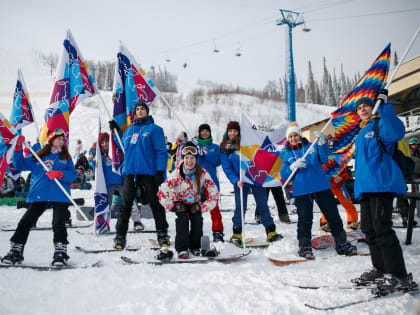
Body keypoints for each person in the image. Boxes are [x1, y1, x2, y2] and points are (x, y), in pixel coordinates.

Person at [353, 94, 416, 292]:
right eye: (359, 107)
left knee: (382, 229)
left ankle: (399, 275)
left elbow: (397, 132)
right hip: (365, 187)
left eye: (366, 106)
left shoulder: (381, 125)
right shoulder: (361, 132)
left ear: (374, 107)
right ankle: (380, 268)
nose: (362, 109)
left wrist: (386, 107)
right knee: (369, 229)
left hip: (381, 185)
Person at [280, 122, 357, 259]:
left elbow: (324, 158)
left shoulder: (312, 146)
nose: (293, 138)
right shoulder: (286, 154)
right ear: (288, 138)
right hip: (302, 190)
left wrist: (322, 144)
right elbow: (284, 175)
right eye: (291, 136)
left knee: (332, 214)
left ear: (300, 135)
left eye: (295, 135)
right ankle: (304, 246)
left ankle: (341, 242)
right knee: (305, 218)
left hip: (321, 186)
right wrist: (291, 167)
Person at [1, 129, 76, 265]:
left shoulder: (66, 157)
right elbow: (19, 165)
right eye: (58, 138)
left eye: (62, 139)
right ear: (51, 139)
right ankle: (16, 250)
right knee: (26, 221)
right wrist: (18, 149)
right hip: (40, 194)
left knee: (58, 223)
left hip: (59, 194)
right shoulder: (38, 155)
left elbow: (73, 175)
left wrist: (59, 173)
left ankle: (60, 252)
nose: (61, 141)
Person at [109, 102, 169, 249]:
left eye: (143, 109)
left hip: (148, 172)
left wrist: (160, 171)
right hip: (130, 172)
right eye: (137, 109)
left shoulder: (155, 129)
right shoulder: (130, 130)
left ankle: (162, 234)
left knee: (156, 204)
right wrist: (115, 131)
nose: (140, 111)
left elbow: (161, 152)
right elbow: (123, 145)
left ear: (147, 112)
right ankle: (120, 237)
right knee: (126, 205)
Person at [220, 121, 283, 245]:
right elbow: (226, 168)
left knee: (262, 205)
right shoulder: (223, 148)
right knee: (240, 207)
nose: (232, 133)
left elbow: (258, 155)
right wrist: (235, 180)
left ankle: (271, 231)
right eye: (230, 131)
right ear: (227, 132)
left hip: (254, 178)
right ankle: (237, 232)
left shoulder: (246, 142)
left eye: (235, 131)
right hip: (240, 182)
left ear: (239, 132)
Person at [158, 141, 219, 259]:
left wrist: (203, 207)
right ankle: (182, 248)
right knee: (182, 220)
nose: (189, 161)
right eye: (187, 158)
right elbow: (162, 191)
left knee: (197, 218)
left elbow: (214, 192)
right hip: (178, 201)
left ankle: (195, 246)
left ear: (196, 159)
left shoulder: (202, 173)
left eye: (192, 158)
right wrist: (171, 206)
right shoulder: (176, 174)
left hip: (193, 202)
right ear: (183, 158)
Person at [98, 132, 143, 231]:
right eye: (103, 143)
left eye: (107, 142)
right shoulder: (100, 155)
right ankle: (105, 223)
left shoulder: (116, 152)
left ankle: (137, 221)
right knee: (106, 205)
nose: (105, 144)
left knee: (129, 202)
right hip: (108, 183)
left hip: (121, 181)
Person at [193, 123, 225, 242]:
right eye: (202, 131)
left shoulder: (215, 147)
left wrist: (206, 153)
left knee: (214, 209)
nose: (204, 133)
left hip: (210, 182)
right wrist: (194, 149)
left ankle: (218, 231)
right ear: (199, 133)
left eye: (207, 131)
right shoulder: (194, 146)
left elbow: (217, 162)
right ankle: (195, 231)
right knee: (193, 209)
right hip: (196, 182)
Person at [319, 165, 360, 233]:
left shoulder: (341, 161)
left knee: (348, 204)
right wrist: (331, 179)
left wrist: (342, 177)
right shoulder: (325, 160)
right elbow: (321, 174)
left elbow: (346, 173)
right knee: (328, 205)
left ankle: (352, 222)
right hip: (329, 187)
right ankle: (325, 223)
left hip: (340, 187)